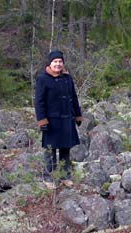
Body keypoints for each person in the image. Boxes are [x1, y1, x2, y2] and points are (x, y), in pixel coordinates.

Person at [35, 50, 83, 188]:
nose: (58, 64)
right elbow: (39, 102)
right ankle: (48, 178)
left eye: (60, 61)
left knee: (65, 149)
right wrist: (42, 120)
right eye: (55, 61)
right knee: (50, 150)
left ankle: (64, 176)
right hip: (51, 121)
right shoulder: (43, 79)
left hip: (67, 119)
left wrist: (78, 115)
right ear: (50, 63)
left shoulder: (68, 78)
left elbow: (73, 97)